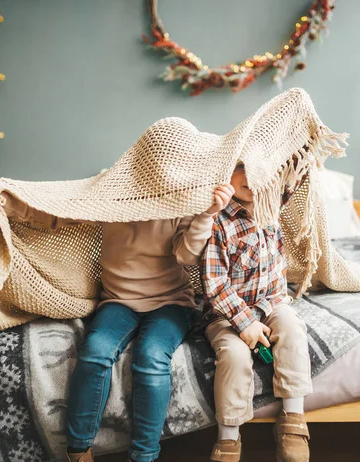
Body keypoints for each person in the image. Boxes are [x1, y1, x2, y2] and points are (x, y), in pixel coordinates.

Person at [65, 183, 235, 462]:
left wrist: (207, 214)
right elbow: (57, 209)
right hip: (119, 301)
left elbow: (188, 256)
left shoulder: (184, 199)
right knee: (95, 351)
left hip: (171, 302)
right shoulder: (110, 195)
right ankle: (78, 450)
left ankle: (144, 456)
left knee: (152, 355)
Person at [201, 162, 312, 462]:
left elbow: (298, 171)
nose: (251, 178)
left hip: (271, 302)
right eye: (242, 170)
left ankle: (293, 421)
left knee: (292, 327)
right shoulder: (217, 221)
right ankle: (228, 439)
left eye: (259, 170)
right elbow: (215, 283)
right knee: (235, 356)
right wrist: (244, 321)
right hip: (226, 313)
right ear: (226, 172)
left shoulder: (271, 203)